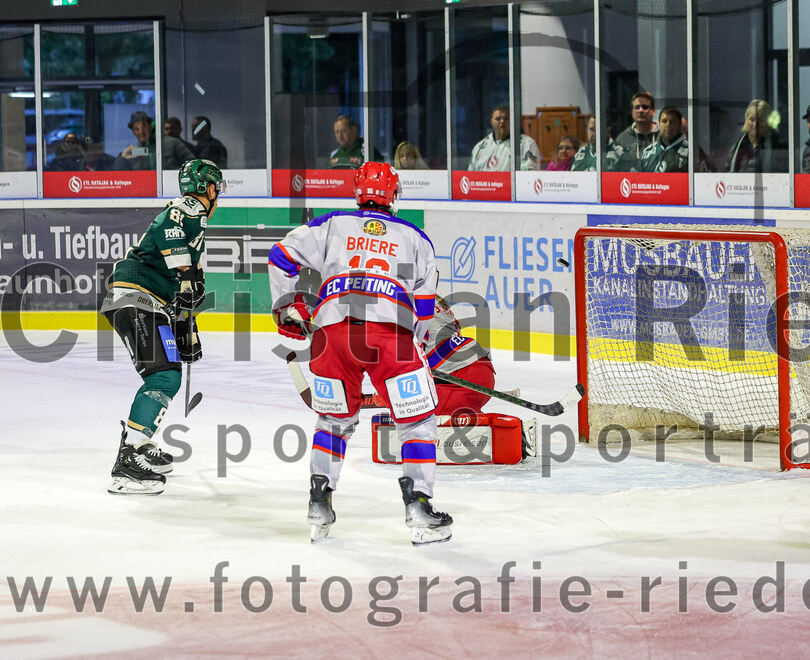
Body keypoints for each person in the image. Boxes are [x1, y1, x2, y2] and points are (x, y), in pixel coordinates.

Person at [268, 161, 452, 546]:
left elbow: (280, 256)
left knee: (332, 422)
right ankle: (418, 506)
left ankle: (319, 503)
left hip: (332, 334)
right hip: (391, 335)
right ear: (395, 195)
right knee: (416, 421)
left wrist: (287, 306)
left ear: (358, 193)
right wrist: (412, 355)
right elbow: (422, 312)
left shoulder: (332, 224)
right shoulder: (417, 238)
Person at [99, 159, 224, 495]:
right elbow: (168, 228)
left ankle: (139, 446)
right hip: (136, 298)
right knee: (164, 376)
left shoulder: (195, 229)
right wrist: (185, 274)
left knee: (167, 374)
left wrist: (186, 326)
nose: (217, 196)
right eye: (216, 189)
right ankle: (126, 462)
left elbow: (185, 295)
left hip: (148, 303)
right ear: (208, 188)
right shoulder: (191, 207)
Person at [114, 110, 194, 171]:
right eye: (136, 129)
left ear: (151, 126)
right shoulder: (134, 152)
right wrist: (122, 158)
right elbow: (117, 178)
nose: (141, 132)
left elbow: (193, 165)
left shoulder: (171, 143)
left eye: (144, 127)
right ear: (133, 132)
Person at [469, 105, 540, 171]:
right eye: (498, 119)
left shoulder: (527, 144)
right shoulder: (480, 147)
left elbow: (528, 178)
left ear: (513, 121)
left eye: (506, 119)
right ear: (491, 122)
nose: (502, 121)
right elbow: (470, 177)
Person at [727, 99, 787, 173]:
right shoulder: (737, 146)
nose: (755, 125)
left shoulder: (778, 146)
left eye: (760, 120)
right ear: (746, 120)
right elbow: (727, 172)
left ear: (768, 123)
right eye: (751, 120)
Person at [606, 92, 659, 172]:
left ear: (653, 111)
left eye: (645, 107)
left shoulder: (662, 136)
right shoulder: (622, 139)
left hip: (658, 183)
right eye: (637, 107)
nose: (641, 110)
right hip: (632, 183)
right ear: (632, 111)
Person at [638, 107, 689, 173]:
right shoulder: (647, 153)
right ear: (659, 124)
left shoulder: (691, 152)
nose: (668, 125)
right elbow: (639, 181)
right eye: (664, 121)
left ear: (680, 125)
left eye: (672, 122)